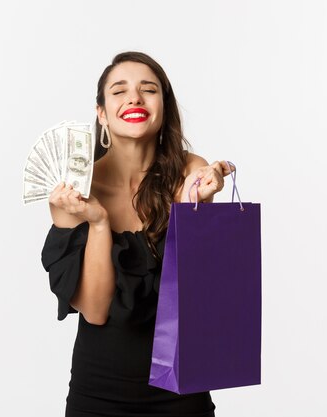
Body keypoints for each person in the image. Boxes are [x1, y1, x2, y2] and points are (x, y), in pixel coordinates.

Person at [41, 51, 235, 417]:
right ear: (102, 113)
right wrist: (98, 222)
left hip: (180, 388)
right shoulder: (75, 190)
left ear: (164, 106)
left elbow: (195, 293)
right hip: (99, 392)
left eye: (148, 89)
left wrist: (197, 206)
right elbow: (95, 310)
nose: (134, 98)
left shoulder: (190, 172)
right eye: (119, 91)